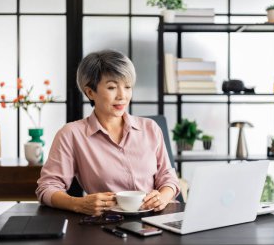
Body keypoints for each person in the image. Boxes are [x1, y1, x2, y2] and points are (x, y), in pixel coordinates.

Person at [36, 50, 180, 216]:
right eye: (112, 87)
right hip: (108, 223)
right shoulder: (71, 134)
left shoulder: (150, 128)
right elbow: (47, 187)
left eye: (127, 87)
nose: (122, 96)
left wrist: (163, 196)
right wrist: (78, 204)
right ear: (90, 92)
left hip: (158, 219)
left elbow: (168, 177)